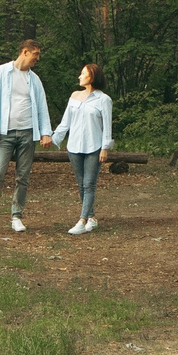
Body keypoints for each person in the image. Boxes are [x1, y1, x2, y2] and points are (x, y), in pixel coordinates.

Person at [0, 39, 49, 233]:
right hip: (5, 133)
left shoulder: (34, 79)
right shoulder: (0, 73)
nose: (37, 58)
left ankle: (17, 216)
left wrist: (45, 132)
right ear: (25, 52)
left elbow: (42, 107)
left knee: (22, 176)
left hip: (27, 133)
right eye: (35, 54)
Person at [47, 62, 115, 235]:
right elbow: (65, 123)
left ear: (92, 76)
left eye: (83, 74)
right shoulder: (74, 96)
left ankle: (82, 220)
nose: (79, 76)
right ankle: (91, 217)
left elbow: (107, 126)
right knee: (81, 184)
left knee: (89, 184)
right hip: (74, 147)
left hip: (94, 147)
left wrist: (105, 147)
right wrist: (52, 138)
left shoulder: (104, 100)